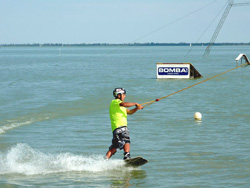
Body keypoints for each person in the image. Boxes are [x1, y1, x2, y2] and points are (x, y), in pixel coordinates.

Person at [105, 88, 143, 160]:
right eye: (124, 94)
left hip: (115, 129)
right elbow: (123, 104)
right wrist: (135, 104)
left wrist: (136, 108)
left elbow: (130, 112)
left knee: (115, 147)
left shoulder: (121, 107)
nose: (125, 96)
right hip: (121, 128)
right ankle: (126, 156)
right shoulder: (115, 102)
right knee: (126, 140)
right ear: (119, 95)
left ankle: (105, 160)